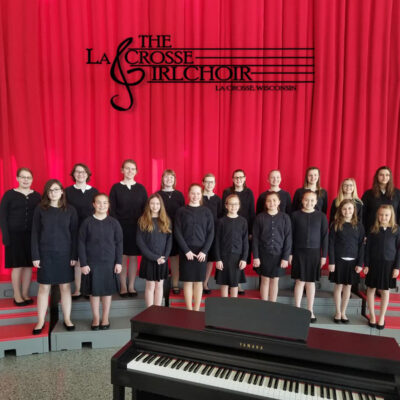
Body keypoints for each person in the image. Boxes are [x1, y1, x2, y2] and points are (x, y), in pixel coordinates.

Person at [31, 179, 78, 334]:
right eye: (50, 190)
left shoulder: (70, 210)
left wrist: (74, 255)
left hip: (65, 255)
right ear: (47, 193)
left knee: (65, 287)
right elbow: (35, 233)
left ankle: (67, 319)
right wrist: (35, 255)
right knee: (44, 287)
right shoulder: (40, 209)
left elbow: (74, 234)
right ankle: (40, 321)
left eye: (56, 189)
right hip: (45, 254)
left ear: (62, 192)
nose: (53, 193)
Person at [79, 193, 122, 330]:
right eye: (99, 202)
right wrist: (84, 263)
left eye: (105, 203)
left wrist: (118, 262)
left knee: (107, 292)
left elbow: (119, 243)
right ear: (93, 204)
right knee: (94, 291)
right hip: (92, 263)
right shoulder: (87, 223)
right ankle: (96, 318)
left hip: (109, 262)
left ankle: (105, 317)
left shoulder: (114, 223)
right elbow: (80, 243)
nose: (102, 205)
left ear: (108, 205)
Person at [0, 168, 41, 306]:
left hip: (31, 236)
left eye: (28, 177)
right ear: (17, 178)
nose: (25, 180)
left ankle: (25, 294)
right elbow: (3, 217)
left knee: (29, 266)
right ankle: (17, 295)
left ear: (32, 179)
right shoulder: (9, 195)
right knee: (17, 266)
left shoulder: (37, 196)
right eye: (23, 177)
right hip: (14, 236)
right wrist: (5, 236)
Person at [109, 159, 147, 297]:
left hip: (137, 227)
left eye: (133, 169)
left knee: (134, 257)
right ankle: (123, 285)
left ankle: (131, 285)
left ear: (136, 172)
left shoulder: (141, 188)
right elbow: (111, 210)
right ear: (122, 170)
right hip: (120, 227)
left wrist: (143, 226)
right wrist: (115, 227)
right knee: (122, 256)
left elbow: (145, 209)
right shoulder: (115, 188)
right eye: (127, 168)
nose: (130, 171)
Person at [174, 184, 214, 311]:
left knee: (198, 282)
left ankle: (196, 310)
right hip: (187, 251)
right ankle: (189, 310)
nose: (195, 196)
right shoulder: (181, 211)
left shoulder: (207, 212)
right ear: (188, 194)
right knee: (188, 281)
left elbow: (211, 233)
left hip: (201, 251)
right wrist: (186, 250)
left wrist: (205, 251)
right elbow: (177, 231)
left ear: (201, 195)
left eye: (198, 193)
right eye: (193, 193)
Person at [290, 190, 328, 322]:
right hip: (299, 252)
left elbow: (324, 237)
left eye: (312, 200)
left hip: (315, 253)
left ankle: (310, 310)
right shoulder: (295, 215)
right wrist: (290, 253)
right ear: (302, 200)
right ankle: (297, 308)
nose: (309, 203)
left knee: (311, 282)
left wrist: (324, 256)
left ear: (316, 202)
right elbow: (291, 236)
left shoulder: (321, 216)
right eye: (306, 200)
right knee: (299, 281)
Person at [65, 163, 98, 299]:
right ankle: (78, 289)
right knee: (78, 260)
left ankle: (89, 288)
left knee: (91, 259)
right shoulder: (67, 191)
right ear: (73, 174)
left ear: (88, 174)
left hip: (92, 229)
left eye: (83, 172)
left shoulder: (94, 191)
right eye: (77, 172)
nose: (80, 174)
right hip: (73, 229)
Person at [328, 199, 364, 323]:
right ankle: (337, 312)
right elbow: (331, 244)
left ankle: (344, 312)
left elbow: (361, 245)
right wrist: (331, 262)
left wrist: (360, 263)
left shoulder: (359, 225)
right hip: (339, 261)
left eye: (350, 208)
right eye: (344, 209)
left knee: (348, 287)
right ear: (340, 210)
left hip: (353, 262)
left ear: (354, 210)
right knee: (338, 286)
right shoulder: (335, 224)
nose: (347, 211)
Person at [364, 205, 400, 330]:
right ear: (377, 216)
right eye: (381, 215)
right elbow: (367, 249)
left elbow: (399, 250)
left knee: (385, 291)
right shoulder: (373, 229)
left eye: (386, 215)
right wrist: (366, 264)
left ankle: (382, 317)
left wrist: (397, 267)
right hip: (374, 264)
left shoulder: (396, 230)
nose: (383, 217)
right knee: (371, 289)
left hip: (389, 264)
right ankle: (373, 316)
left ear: (391, 216)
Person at [253, 192, 292, 302]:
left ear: (279, 202)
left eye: (274, 200)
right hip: (263, 254)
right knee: (264, 280)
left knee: (275, 280)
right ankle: (264, 304)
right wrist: (256, 257)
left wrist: (285, 257)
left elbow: (288, 238)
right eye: (269, 201)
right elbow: (255, 239)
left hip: (279, 255)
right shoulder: (260, 218)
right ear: (265, 203)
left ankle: (272, 303)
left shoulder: (285, 218)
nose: (272, 203)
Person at [222, 169, 255, 294]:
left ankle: (238, 283)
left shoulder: (249, 193)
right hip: (229, 226)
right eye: (236, 177)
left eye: (241, 177)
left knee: (240, 256)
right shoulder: (227, 192)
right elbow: (222, 209)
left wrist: (251, 231)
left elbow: (252, 212)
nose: (238, 179)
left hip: (243, 228)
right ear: (232, 179)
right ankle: (229, 283)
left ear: (245, 178)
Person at [137, 193, 172, 307]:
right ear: (148, 205)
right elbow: (140, 242)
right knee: (150, 286)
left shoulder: (166, 220)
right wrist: (154, 257)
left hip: (162, 259)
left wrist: (165, 257)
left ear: (161, 205)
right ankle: (150, 311)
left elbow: (169, 241)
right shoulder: (143, 220)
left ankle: (157, 311)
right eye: (152, 203)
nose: (155, 206)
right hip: (149, 259)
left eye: (157, 203)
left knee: (159, 285)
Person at [157, 169, 184, 295]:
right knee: (162, 256)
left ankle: (175, 283)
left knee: (174, 258)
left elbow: (183, 214)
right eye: (166, 177)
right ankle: (160, 283)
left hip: (176, 230)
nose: (169, 179)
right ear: (162, 179)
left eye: (171, 177)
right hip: (160, 230)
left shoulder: (179, 195)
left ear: (174, 180)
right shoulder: (157, 195)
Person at [214, 194, 248, 298]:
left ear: (239, 205)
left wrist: (244, 258)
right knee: (224, 283)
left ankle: (233, 306)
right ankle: (224, 306)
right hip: (224, 257)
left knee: (234, 283)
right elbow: (217, 241)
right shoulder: (221, 221)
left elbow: (245, 241)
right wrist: (218, 259)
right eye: (231, 204)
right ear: (226, 205)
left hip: (237, 257)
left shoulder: (243, 221)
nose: (233, 206)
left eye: (236, 204)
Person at [362, 166, 400, 235]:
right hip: (372, 231)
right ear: (377, 176)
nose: (384, 177)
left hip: (392, 233)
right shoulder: (368, 194)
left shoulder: (397, 193)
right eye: (381, 175)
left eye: (387, 175)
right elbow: (363, 215)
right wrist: (364, 233)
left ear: (390, 177)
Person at [202, 173, 222, 294]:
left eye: (212, 182)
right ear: (203, 183)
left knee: (210, 259)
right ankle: (198, 281)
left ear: (214, 184)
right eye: (207, 182)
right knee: (200, 257)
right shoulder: (199, 197)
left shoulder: (218, 199)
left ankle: (205, 282)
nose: (209, 184)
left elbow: (220, 217)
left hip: (213, 233)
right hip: (199, 233)